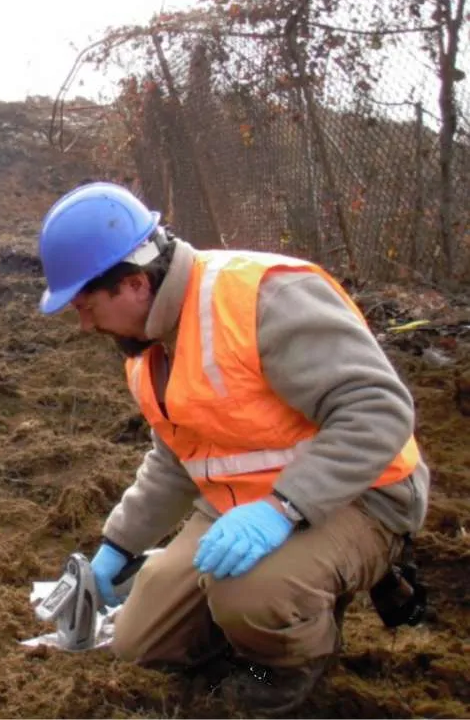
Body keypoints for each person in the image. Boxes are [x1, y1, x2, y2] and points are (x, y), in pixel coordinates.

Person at [36, 181, 430, 717]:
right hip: (242, 503)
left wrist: (282, 510)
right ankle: (262, 621)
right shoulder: (149, 346)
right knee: (142, 645)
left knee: (250, 595)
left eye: (85, 305)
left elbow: (378, 411)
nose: (83, 324)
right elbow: (175, 459)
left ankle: (282, 668)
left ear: (132, 284)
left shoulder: (264, 299)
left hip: (359, 494)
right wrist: (118, 548)